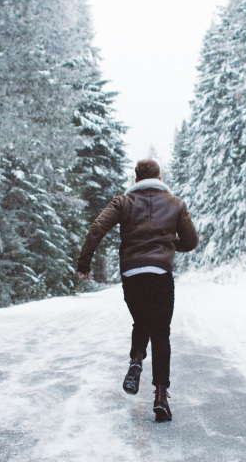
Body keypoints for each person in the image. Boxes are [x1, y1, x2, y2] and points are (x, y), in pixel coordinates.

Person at [76, 158, 198, 421]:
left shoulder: (123, 202)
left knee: (141, 321)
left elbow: (97, 229)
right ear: (160, 179)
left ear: (136, 180)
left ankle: (136, 360)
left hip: (131, 273)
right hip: (160, 273)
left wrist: (84, 263)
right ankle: (161, 396)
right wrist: (169, 243)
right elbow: (191, 241)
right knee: (161, 331)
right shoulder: (176, 204)